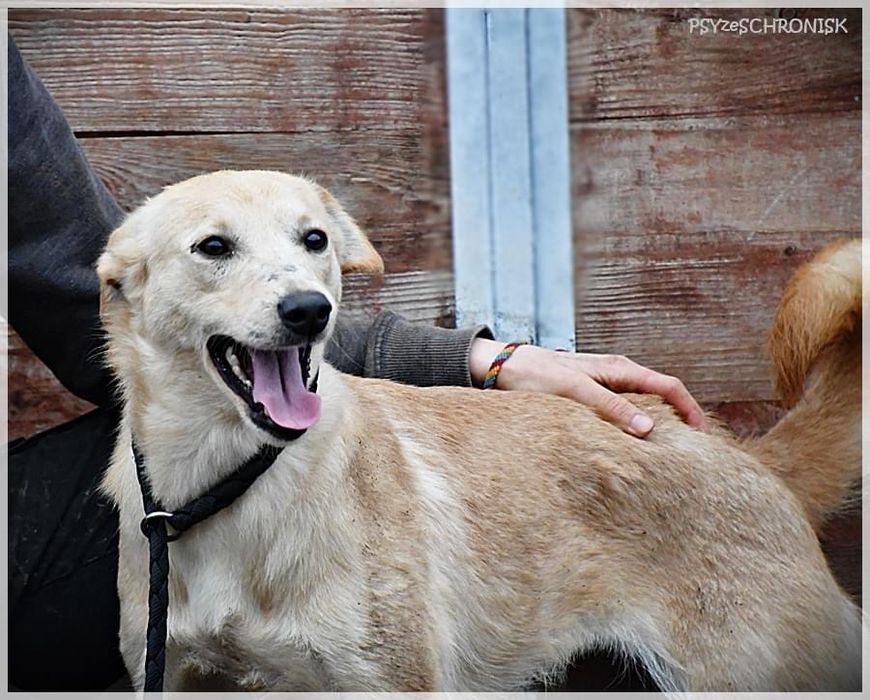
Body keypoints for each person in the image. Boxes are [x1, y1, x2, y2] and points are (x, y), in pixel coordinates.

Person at [7, 37, 706, 690]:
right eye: (216, 249)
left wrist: (481, 358)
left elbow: (74, 298)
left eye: (313, 243)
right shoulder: (141, 276)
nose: (302, 294)